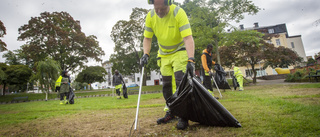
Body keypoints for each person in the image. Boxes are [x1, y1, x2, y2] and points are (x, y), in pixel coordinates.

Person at [140, 0, 195, 130]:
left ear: (168, 4)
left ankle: (183, 116)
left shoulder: (178, 13)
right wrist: (146, 54)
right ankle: (171, 112)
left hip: (179, 51)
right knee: (166, 85)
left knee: (181, 82)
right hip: (163, 54)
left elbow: (187, 38)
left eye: (162, 9)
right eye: (156, 8)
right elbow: (147, 38)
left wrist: (191, 59)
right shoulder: (151, 16)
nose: (159, 12)